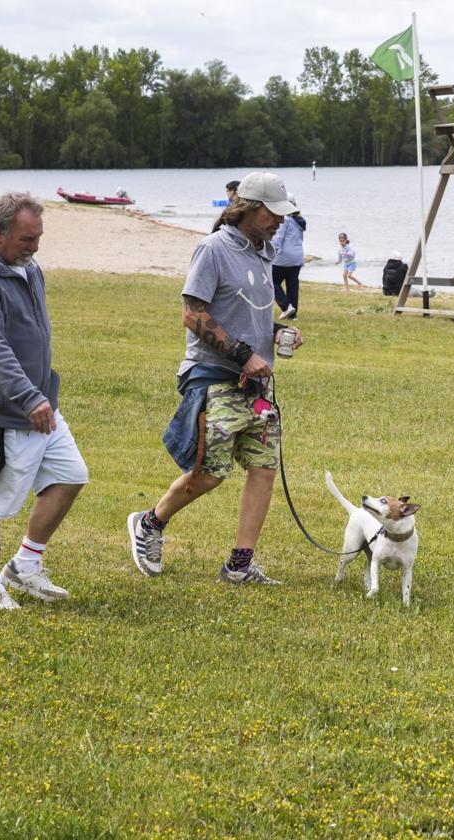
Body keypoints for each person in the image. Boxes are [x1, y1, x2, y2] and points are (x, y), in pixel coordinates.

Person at [127, 172, 303, 586]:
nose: (280, 220)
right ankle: (149, 524)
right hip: (213, 376)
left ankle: (239, 565)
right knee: (211, 471)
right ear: (250, 208)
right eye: (273, 213)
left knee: (263, 467)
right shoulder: (213, 249)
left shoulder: (264, 251)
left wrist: (277, 332)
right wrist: (243, 355)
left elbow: (245, 313)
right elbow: (193, 314)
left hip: (254, 383)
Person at [0, 192, 89, 610]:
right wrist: (30, 397)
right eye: (27, 239)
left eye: (38, 237)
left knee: (71, 475)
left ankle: (25, 566)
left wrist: (43, 392)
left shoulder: (26, 267)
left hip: (41, 405)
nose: (35, 247)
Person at [270, 194, 305, 319]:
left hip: (283, 258)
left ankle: (286, 307)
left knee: (271, 282)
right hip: (297, 258)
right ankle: (293, 315)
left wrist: (270, 253)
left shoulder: (285, 219)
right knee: (292, 285)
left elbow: (278, 239)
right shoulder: (299, 220)